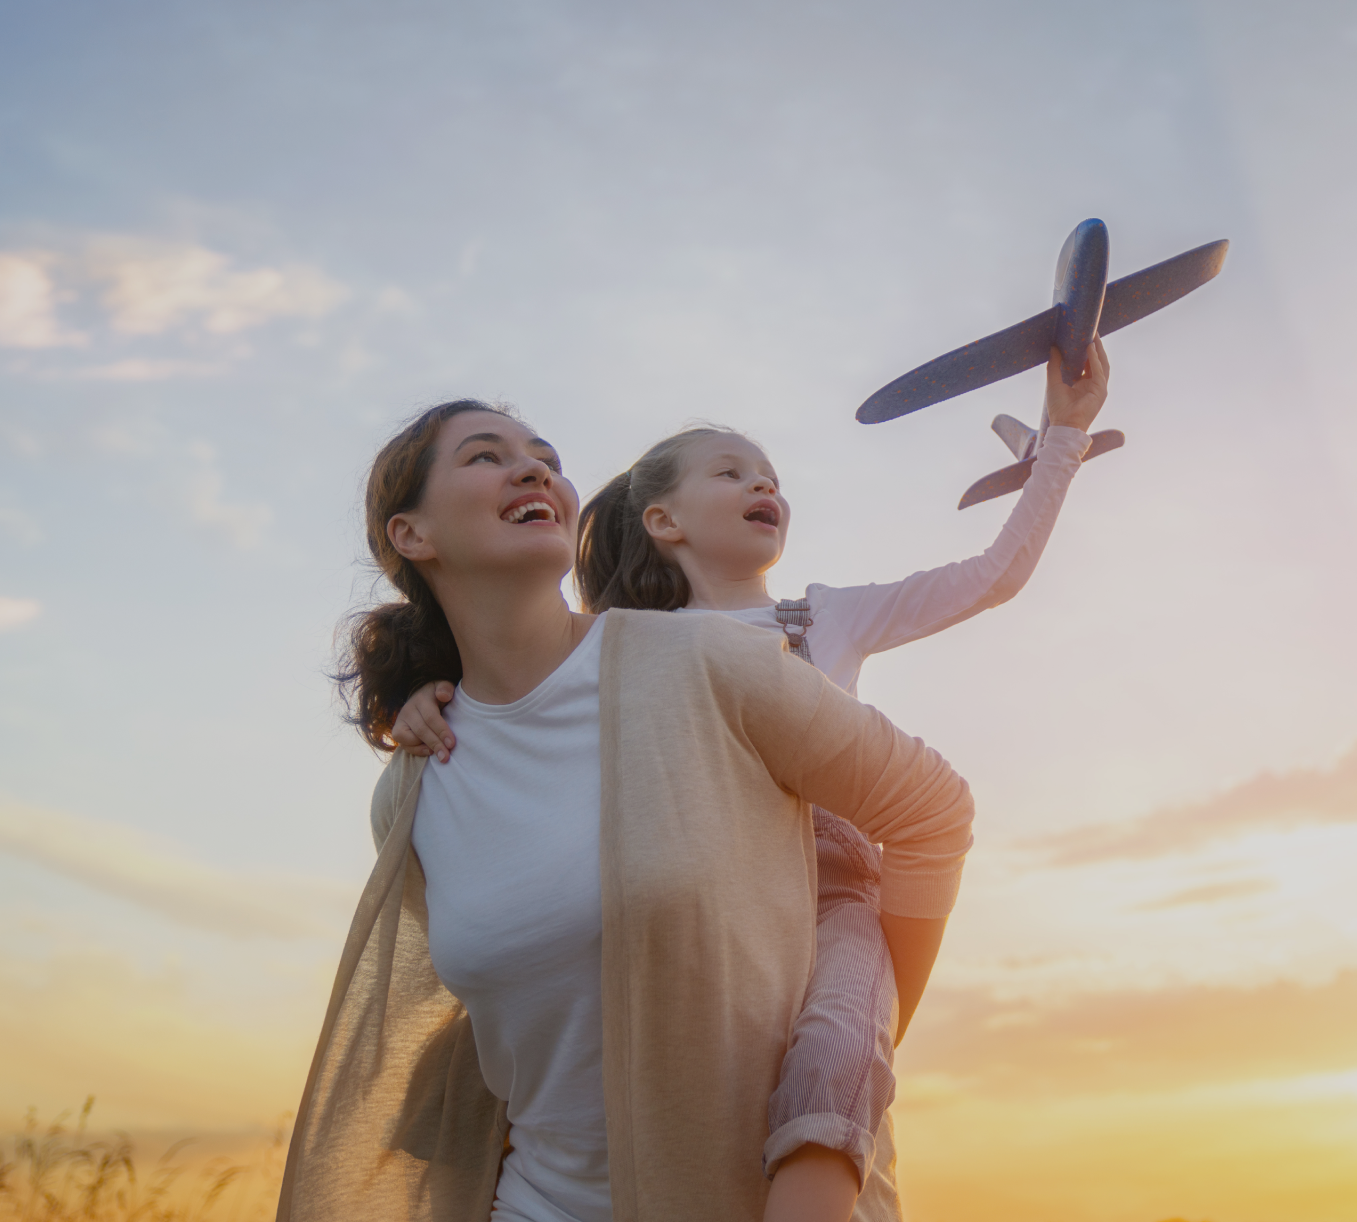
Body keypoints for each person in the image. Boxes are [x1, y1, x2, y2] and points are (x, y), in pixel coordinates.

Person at [389, 341, 1110, 1220]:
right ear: (663, 520)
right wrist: (418, 695)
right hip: (703, 887)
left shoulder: (810, 620)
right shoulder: (628, 658)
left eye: (769, 475)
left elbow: (990, 581)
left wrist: (1062, 441)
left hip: (833, 877)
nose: (764, 486)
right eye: (730, 472)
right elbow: (518, 677)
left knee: (835, 1046)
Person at [277, 399, 975, 1222]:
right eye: (484, 456)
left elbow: (933, 812)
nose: (534, 468)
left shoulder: (707, 666)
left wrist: (863, 1030)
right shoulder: (413, 787)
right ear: (411, 536)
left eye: (544, 455)